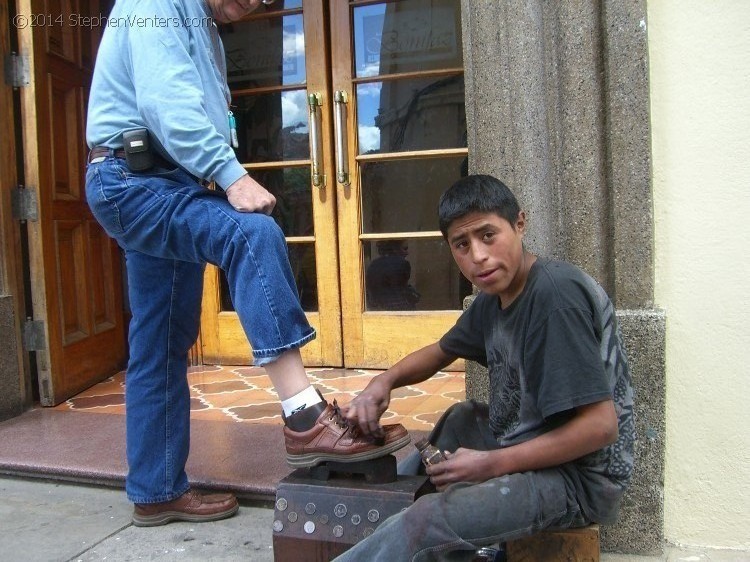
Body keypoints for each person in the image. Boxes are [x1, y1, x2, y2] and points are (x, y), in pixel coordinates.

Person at [84, 0, 408, 527]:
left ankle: (156, 490)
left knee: (161, 340)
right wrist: (230, 175)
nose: (258, 1)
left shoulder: (202, 23)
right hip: (134, 182)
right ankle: (304, 416)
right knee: (251, 233)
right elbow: (167, 102)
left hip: (161, 181)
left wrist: (211, 172)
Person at [339, 175, 635, 560]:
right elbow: (441, 351)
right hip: (532, 444)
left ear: (519, 224)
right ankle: (401, 521)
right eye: (462, 245)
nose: (477, 255)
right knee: (460, 419)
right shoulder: (493, 299)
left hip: (579, 480)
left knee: (425, 522)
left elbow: (600, 426)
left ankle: (415, 527)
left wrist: (490, 464)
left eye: (488, 235)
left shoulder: (554, 297)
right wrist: (386, 381)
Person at [366, 240, 421, 310]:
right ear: (395, 249)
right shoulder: (402, 263)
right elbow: (400, 289)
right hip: (399, 308)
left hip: (378, 308)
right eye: (405, 248)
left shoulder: (373, 265)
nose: (407, 253)